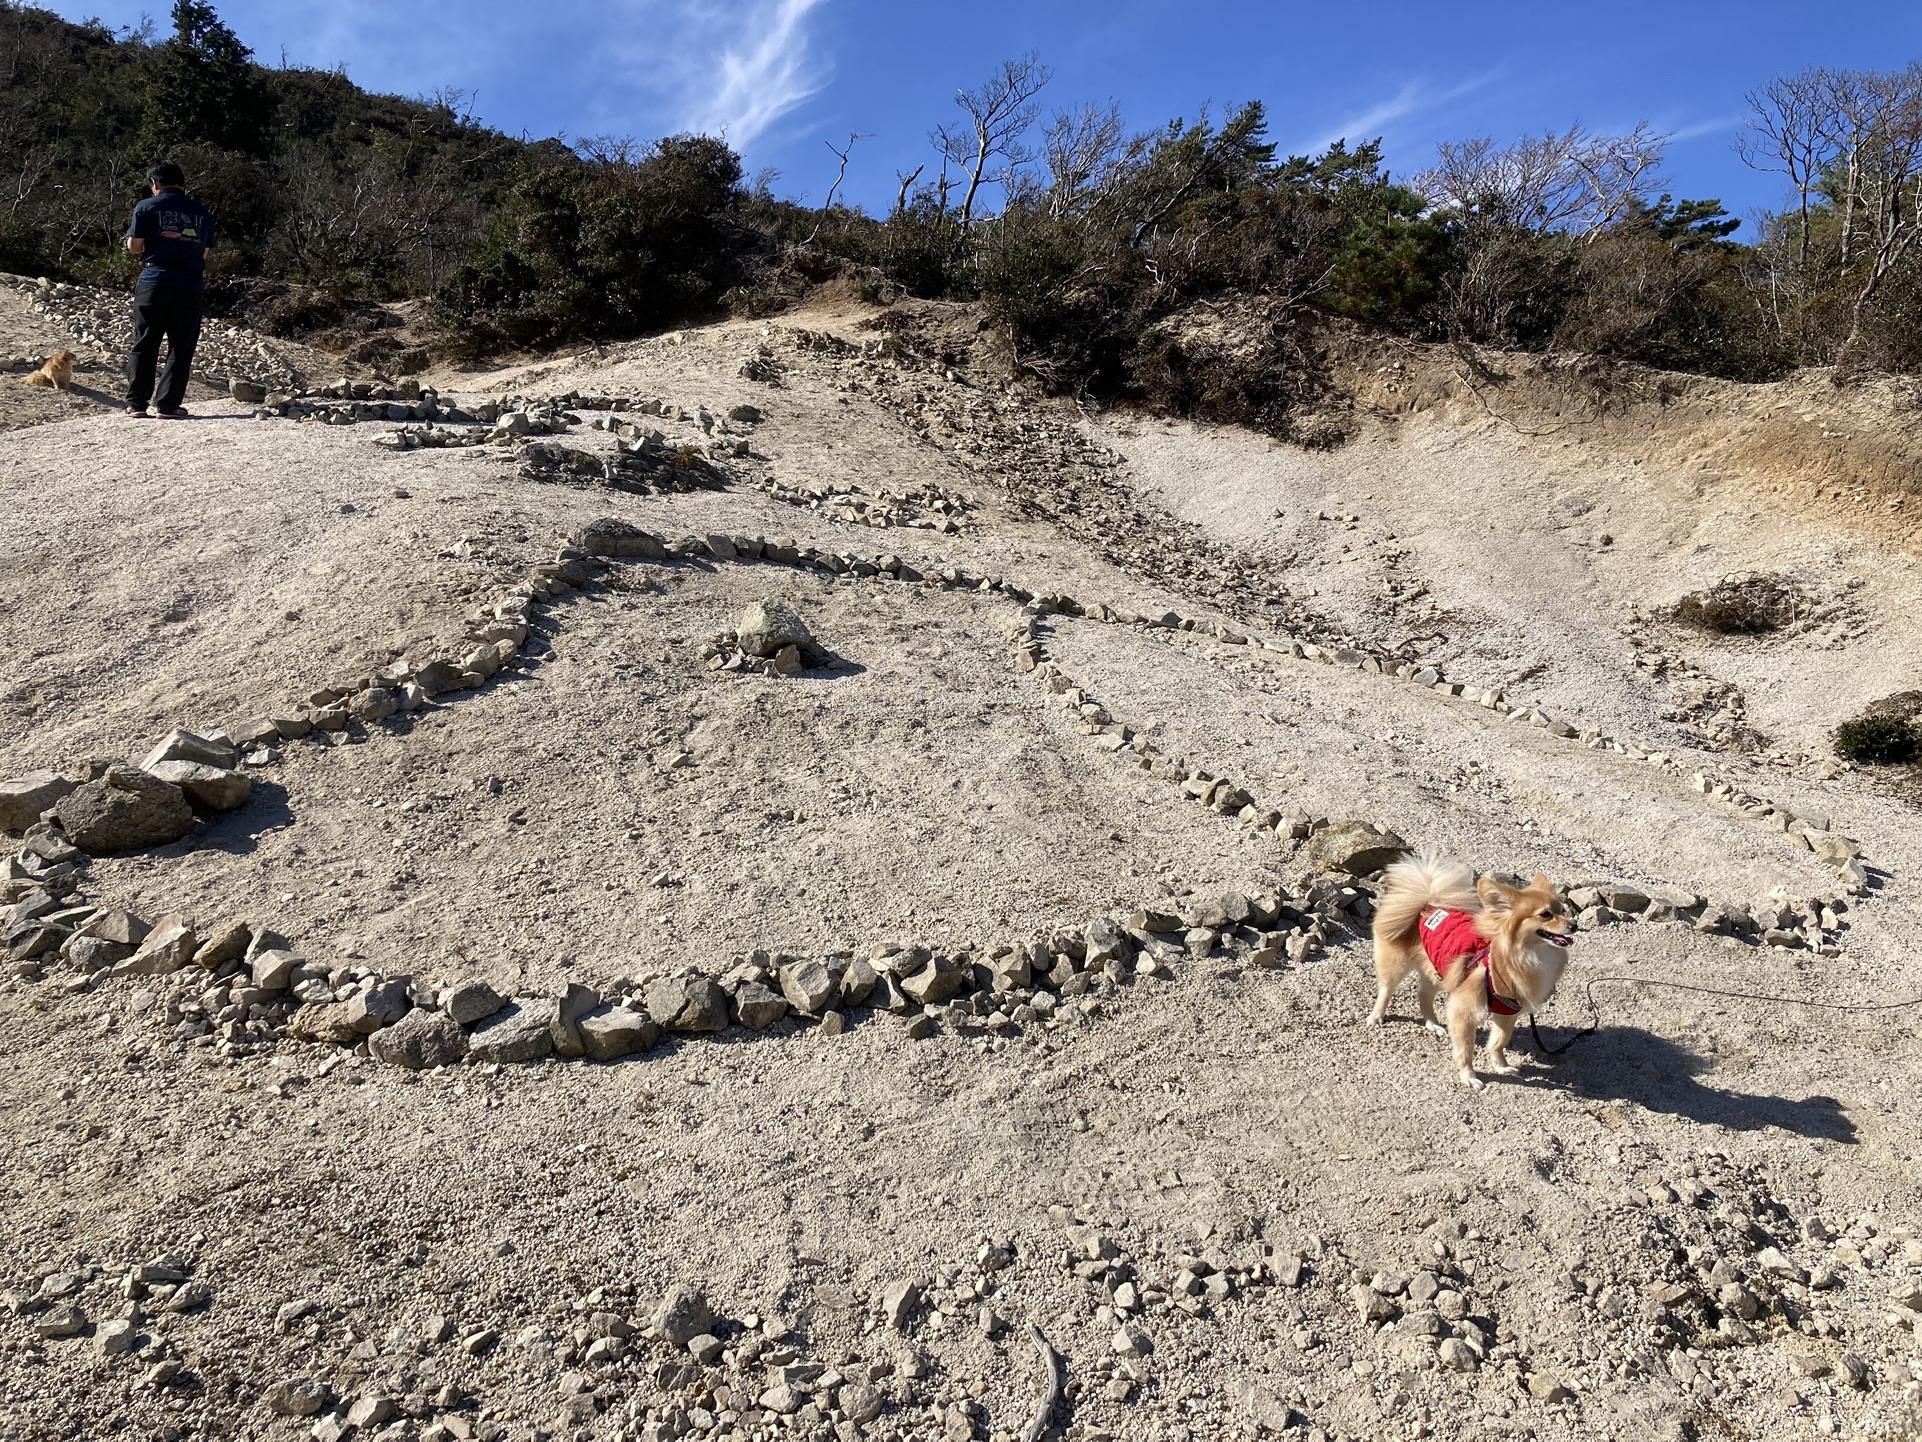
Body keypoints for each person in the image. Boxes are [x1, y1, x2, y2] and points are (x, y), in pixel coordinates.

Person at [124, 161, 216, 419]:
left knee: (145, 342)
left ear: (154, 183)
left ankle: (136, 404)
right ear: (182, 183)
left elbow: (135, 246)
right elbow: (205, 252)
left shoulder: (145, 207)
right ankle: (167, 405)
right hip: (189, 284)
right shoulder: (202, 212)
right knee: (181, 346)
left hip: (154, 280)